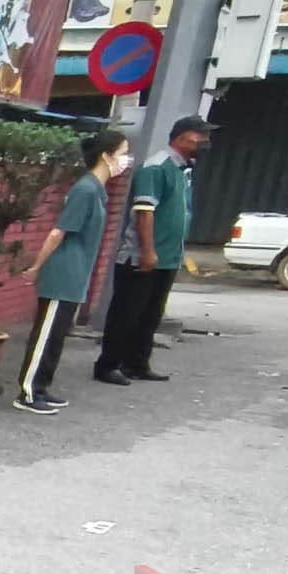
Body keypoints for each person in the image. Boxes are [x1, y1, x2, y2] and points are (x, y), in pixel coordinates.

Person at [16, 125, 126, 414]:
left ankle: (41, 387)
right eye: (122, 154)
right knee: (46, 334)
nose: (125, 160)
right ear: (106, 156)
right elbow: (58, 233)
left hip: (76, 275)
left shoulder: (96, 191)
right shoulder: (86, 189)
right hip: (63, 273)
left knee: (57, 335)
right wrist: (37, 267)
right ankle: (28, 392)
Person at [94, 113, 207, 385]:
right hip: (142, 256)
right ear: (181, 138)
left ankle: (137, 363)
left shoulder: (182, 170)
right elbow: (145, 213)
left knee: (150, 314)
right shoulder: (156, 168)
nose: (205, 142)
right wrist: (148, 251)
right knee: (127, 313)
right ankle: (108, 364)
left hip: (167, 258)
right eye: (200, 136)